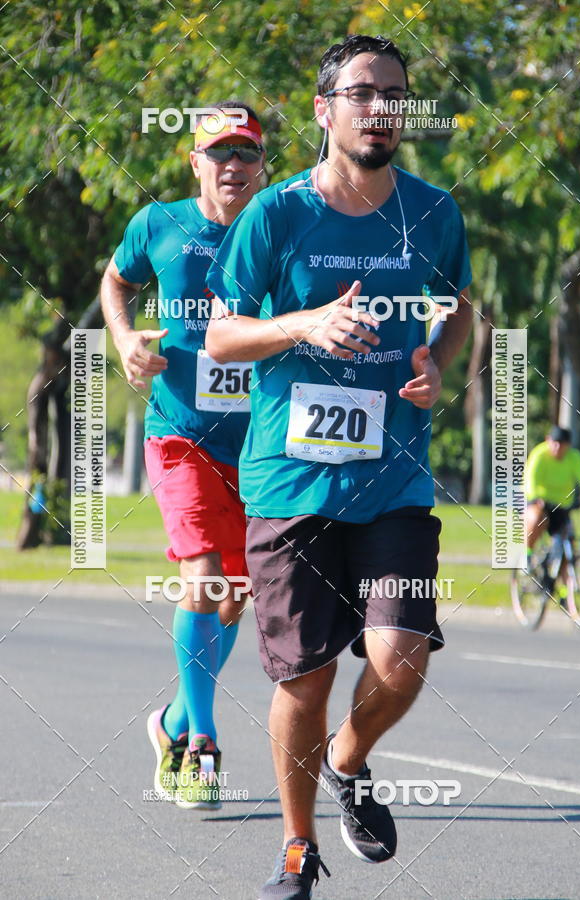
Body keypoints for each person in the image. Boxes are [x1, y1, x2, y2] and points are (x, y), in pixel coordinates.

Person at [206, 35, 472, 899]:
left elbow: (460, 308)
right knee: (308, 679)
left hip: (392, 479)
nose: (381, 108)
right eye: (363, 92)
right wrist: (305, 325)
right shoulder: (276, 216)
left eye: (395, 94)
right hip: (290, 485)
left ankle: (350, 762)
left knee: (400, 659)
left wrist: (436, 361)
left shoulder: (434, 213)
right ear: (326, 110)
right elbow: (219, 334)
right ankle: (296, 847)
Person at [100, 101, 265, 809]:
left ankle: (170, 724)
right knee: (201, 578)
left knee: (234, 599)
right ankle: (202, 746)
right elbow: (115, 282)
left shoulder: (280, 228)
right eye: (219, 153)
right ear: (194, 161)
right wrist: (124, 337)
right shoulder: (158, 226)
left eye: (246, 154)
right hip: (180, 436)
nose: (233, 166)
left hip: (259, 447)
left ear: (262, 166)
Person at [526, 425, 580, 554]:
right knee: (536, 519)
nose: (558, 447)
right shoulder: (539, 454)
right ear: (548, 440)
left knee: (568, 543)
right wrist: (536, 497)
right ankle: (528, 555)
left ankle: (567, 572)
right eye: (555, 443)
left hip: (562, 504)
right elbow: (530, 479)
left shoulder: (574, 457)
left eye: (562, 444)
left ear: (568, 445)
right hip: (539, 501)